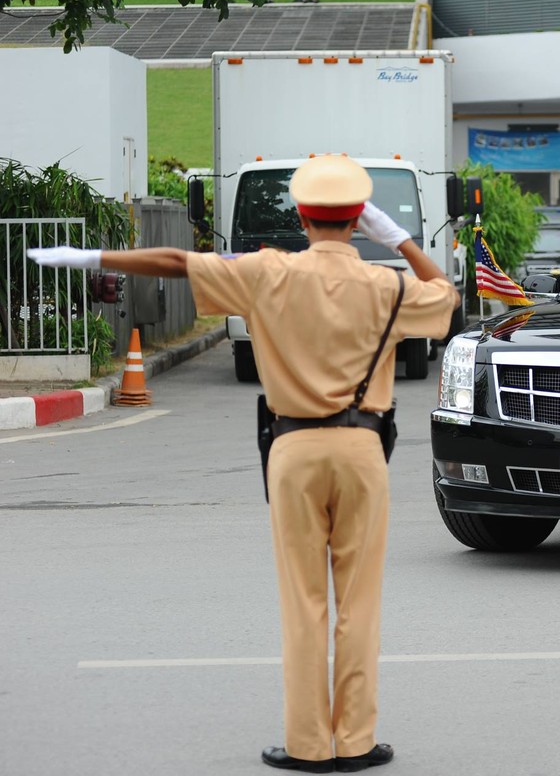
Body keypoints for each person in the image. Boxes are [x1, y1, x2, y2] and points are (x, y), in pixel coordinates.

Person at [28, 155, 459, 774]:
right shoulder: (386, 283)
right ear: (358, 220)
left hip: (294, 450)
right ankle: (357, 741)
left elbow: (177, 263)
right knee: (358, 602)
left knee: (303, 600)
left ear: (303, 216)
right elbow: (444, 299)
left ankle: (310, 745)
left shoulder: (266, 273)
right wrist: (400, 240)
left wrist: (93, 258)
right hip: (364, 450)